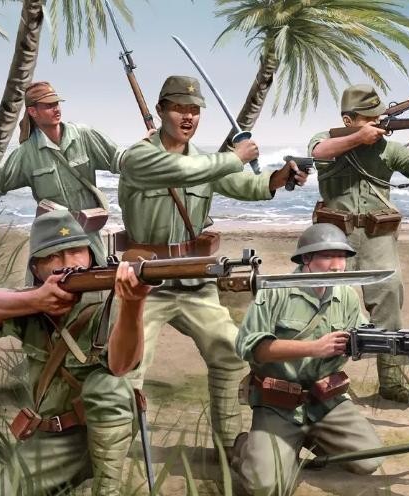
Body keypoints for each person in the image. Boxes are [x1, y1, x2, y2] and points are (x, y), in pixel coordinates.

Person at [116, 75, 308, 453]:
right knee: (129, 365)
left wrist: (278, 178)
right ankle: (116, 452)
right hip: (146, 281)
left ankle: (229, 448)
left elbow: (242, 185)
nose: (188, 117)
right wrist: (235, 157)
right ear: (160, 110)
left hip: (193, 278)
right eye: (179, 108)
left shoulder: (204, 160)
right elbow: (187, 171)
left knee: (229, 352)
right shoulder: (140, 157)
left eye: (194, 110)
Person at [0, 210, 151, 496]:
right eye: (53, 256)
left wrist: (134, 305)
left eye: (76, 251)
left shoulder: (107, 301)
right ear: (36, 268)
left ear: (90, 254)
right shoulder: (31, 304)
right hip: (52, 436)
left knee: (108, 385)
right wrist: (34, 300)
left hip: (108, 429)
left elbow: (121, 366)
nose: (68, 263)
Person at [308, 84, 409, 403]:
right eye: (369, 118)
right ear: (348, 120)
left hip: (377, 235)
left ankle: (391, 382)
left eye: (379, 116)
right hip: (334, 236)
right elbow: (318, 152)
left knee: (389, 303)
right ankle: (318, 378)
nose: (378, 122)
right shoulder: (327, 139)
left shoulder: (388, 148)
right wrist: (358, 138)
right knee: (323, 306)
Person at [231, 223, 383, 496]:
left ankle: (310, 438)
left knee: (368, 461)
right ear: (306, 259)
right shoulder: (275, 291)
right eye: (327, 256)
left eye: (342, 257)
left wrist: (384, 341)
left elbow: (362, 335)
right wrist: (314, 348)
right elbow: (249, 347)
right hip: (278, 403)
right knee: (266, 489)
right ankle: (245, 446)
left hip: (325, 400)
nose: (337, 265)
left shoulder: (346, 295)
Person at [0, 81, 123, 267]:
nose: (56, 109)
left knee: (98, 277)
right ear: (32, 111)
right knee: (49, 281)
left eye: (56, 103)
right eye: (48, 105)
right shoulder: (27, 153)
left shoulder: (83, 136)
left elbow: (119, 159)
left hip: (87, 233)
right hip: (54, 238)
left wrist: (142, 151)